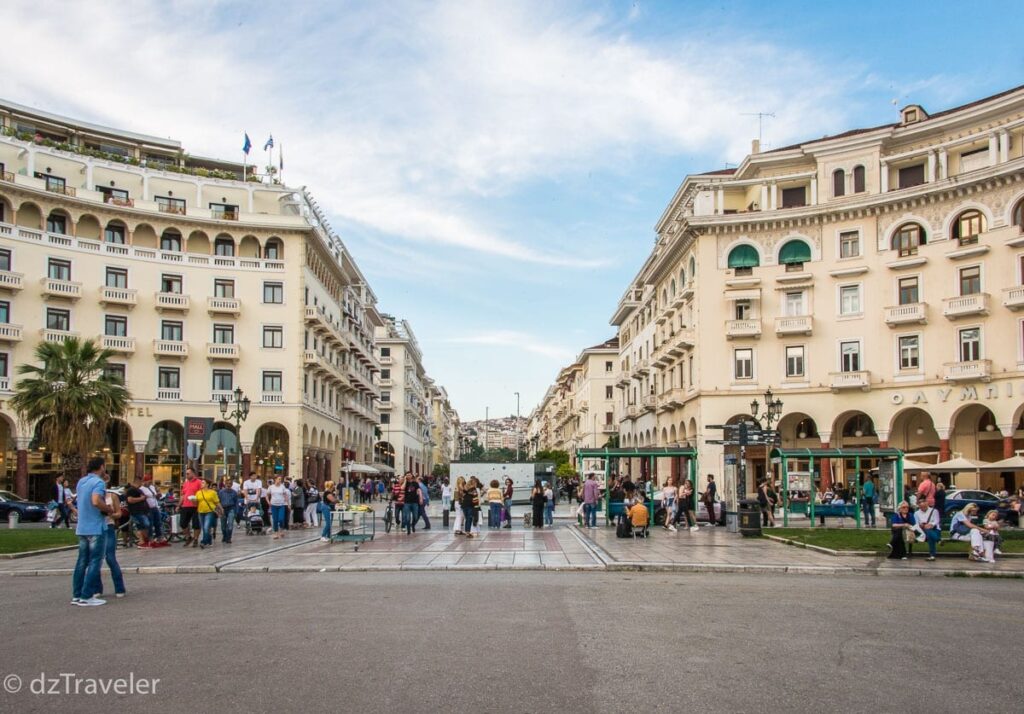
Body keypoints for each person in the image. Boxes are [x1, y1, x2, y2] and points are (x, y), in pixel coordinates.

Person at [71, 458, 115, 606]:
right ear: (101, 467)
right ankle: (87, 595)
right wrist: (108, 509)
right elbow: (96, 500)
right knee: (95, 561)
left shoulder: (82, 482)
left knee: (82, 561)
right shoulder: (98, 483)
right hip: (96, 526)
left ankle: (77, 594)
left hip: (82, 526)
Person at [94, 470, 126, 600]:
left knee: (110, 557)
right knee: (96, 559)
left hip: (109, 527)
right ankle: (97, 588)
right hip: (96, 528)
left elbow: (120, 513)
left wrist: (111, 514)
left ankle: (119, 587)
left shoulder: (112, 496)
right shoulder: (94, 496)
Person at [124, 476, 152, 547]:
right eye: (141, 481)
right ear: (138, 481)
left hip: (142, 511)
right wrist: (141, 498)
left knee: (143, 526)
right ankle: (142, 540)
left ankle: (143, 540)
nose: (142, 483)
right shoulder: (131, 490)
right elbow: (130, 500)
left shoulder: (138, 489)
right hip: (136, 511)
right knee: (144, 525)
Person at [178, 467, 203, 548]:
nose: (187, 475)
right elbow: (183, 495)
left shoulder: (199, 482)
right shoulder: (185, 483)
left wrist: (197, 500)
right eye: (186, 473)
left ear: (193, 473)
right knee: (182, 523)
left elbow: (202, 493)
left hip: (196, 506)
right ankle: (189, 537)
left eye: (188, 473)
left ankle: (195, 539)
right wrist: (179, 505)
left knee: (196, 524)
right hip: (185, 505)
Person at [195, 477, 222, 549]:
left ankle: (203, 542)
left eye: (203, 483)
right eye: (201, 483)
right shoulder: (198, 492)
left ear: (207, 484)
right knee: (204, 528)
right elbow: (196, 502)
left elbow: (217, 502)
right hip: (200, 511)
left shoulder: (212, 492)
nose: (201, 484)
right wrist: (193, 500)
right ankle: (209, 540)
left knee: (206, 527)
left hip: (209, 511)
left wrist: (221, 509)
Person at [140, 476, 166, 545]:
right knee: (150, 523)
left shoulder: (152, 487)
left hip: (155, 506)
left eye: (150, 482)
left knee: (158, 522)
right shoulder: (141, 489)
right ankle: (150, 538)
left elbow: (155, 496)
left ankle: (159, 537)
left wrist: (158, 495)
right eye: (149, 482)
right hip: (148, 508)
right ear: (144, 482)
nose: (150, 483)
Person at [217, 478, 239, 544]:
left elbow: (236, 502)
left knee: (230, 524)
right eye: (227, 484)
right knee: (223, 526)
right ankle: (224, 535)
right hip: (223, 509)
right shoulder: (221, 492)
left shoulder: (234, 492)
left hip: (231, 508)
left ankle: (229, 538)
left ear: (232, 485)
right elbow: (218, 501)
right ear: (225, 484)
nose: (228, 485)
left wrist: (236, 512)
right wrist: (219, 510)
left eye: (230, 484)